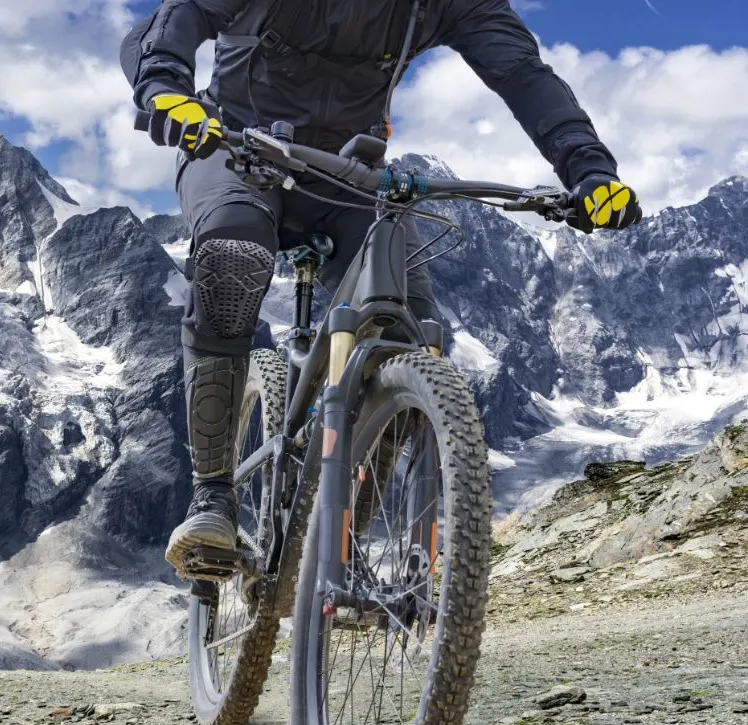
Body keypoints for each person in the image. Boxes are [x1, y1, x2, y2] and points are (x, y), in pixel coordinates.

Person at [120, 0, 642, 580]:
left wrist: (589, 169)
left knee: (409, 333)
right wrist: (165, 84)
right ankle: (212, 497)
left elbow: (522, 74)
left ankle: (341, 542)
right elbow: (182, 13)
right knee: (232, 255)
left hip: (350, 173)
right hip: (235, 150)